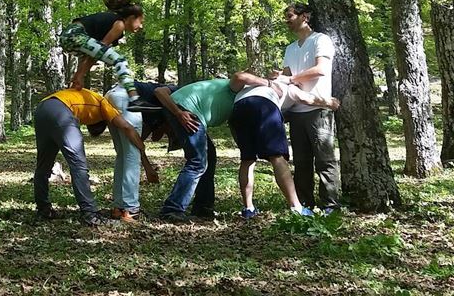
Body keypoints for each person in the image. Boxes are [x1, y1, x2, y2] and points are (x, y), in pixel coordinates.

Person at [33, 87, 159, 227]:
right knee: (78, 166)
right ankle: (90, 215)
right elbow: (127, 128)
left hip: (42, 108)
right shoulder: (103, 104)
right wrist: (142, 148)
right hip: (61, 111)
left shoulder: (87, 98)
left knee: (43, 165)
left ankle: (43, 209)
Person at [231, 71, 340, 219]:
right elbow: (306, 98)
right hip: (264, 106)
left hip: (238, 109)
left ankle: (248, 208)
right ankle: (296, 207)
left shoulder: (254, 85)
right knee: (277, 157)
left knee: (248, 159)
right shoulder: (287, 86)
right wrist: (330, 103)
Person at [272, 2, 341, 213]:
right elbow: (285, 77)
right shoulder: (290, 48)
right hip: (296, 111)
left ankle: (331, 206)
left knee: (325, 159)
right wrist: (279, 79)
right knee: (301, 162)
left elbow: (321, 69)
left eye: (290, 16)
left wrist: (292, 78)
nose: (287, 21)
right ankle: (305, 205)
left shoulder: (321, 40)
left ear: (305, 17)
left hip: (318, 110)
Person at [154, 77, 244, 222]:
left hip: (187, 108)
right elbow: (242, 75)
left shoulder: (237, 100)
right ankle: (172, 209)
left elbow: (234, 127)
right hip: (187, 110)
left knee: (209, 155)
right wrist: (178, 112)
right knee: (198, 161)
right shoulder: (237, 86)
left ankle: (203, 208)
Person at [105, 80, 178, 223]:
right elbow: (159, 91)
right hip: (126, 97)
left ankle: (119, 207)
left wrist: (148, 167)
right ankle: (131, 209)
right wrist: (148, 168)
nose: (165, 136)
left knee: (124, 154)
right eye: (169, 134)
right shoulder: (177, 94)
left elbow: (137, 143)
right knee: (129, 155)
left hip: (111, 95)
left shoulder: (154, 116)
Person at [60, 0, 149, 110]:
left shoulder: (115, 23)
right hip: (74, 35)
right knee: (120, 60)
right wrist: (81, 74)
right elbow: (99, 50)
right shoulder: (120, 24)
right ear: (132, 17)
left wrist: (79, 75)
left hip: (68, 37)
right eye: (140, 21)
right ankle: (135, 99)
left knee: (107, 57)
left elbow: (94, 52)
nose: (141, 26)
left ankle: (70, 97)